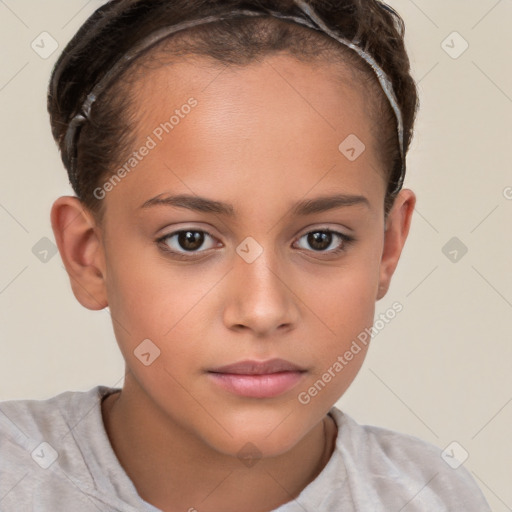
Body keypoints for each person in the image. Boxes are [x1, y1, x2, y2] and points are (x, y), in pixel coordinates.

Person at [0, 0, 491, 510]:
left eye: (321, 239)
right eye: (189, 239)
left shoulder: (434, 496)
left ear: (388, 247)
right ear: (88, 255)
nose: (263, 310)